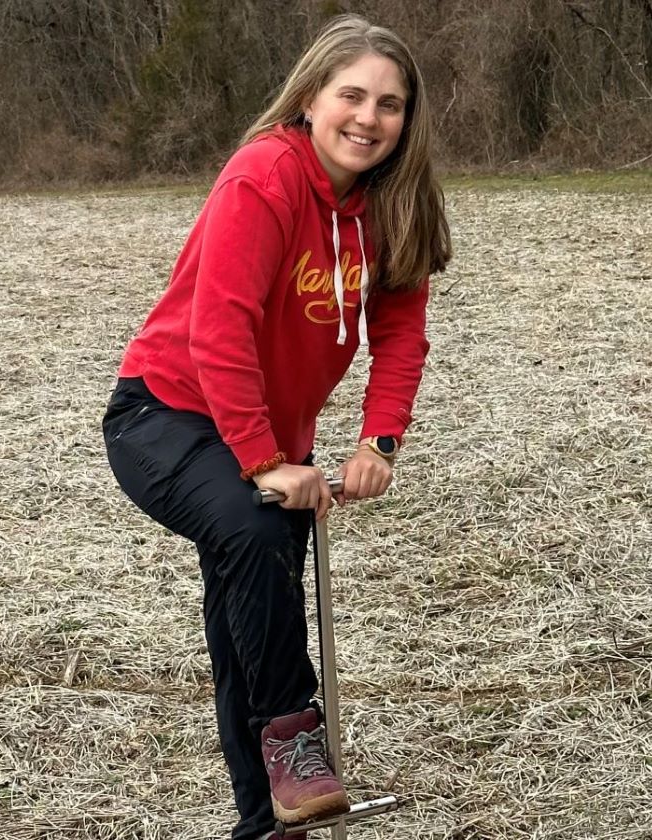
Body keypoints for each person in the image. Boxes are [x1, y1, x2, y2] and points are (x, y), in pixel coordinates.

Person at [102, 14, 450, 840]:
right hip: (165, 415)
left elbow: (401, 332)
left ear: (409, 119)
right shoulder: (263, 175)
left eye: (389, 104)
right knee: (256, 534)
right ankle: (297, 739)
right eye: (352, 95)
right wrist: (262, 459)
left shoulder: (393, 203)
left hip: (270, 442)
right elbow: (216, 328)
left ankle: (267, 823)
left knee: (248, 627)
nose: (368, 118)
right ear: (311, 97)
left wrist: (379, 439)